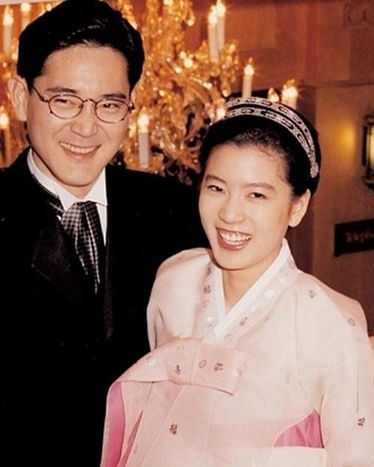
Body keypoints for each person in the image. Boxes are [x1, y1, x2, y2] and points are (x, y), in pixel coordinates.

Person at [0, 1, 206, 465]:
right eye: (64, 100)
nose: (86, 127)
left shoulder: (176, 212)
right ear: (19, 96)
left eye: (109, 105)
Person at [101, 96, 374, 467]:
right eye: (216, 188)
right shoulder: (174, 280)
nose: (229, 214)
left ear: (298, 206)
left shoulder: (331, 322)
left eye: (256, 195)